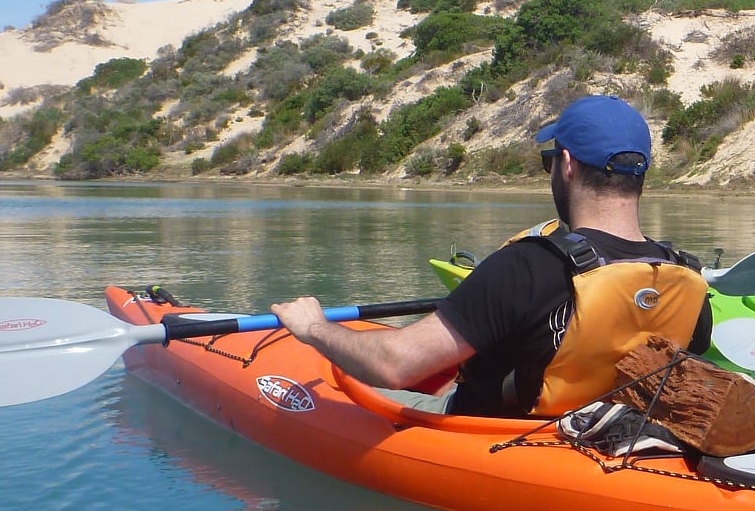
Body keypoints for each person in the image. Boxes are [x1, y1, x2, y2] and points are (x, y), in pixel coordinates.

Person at [271, 95, 712, 417]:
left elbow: (395, 366)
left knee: (352, 376)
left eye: (549, 161)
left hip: (496, 441)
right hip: (605, 433)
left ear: (568, 164)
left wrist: (313, 328)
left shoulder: (528, 267)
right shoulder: (685, 280)